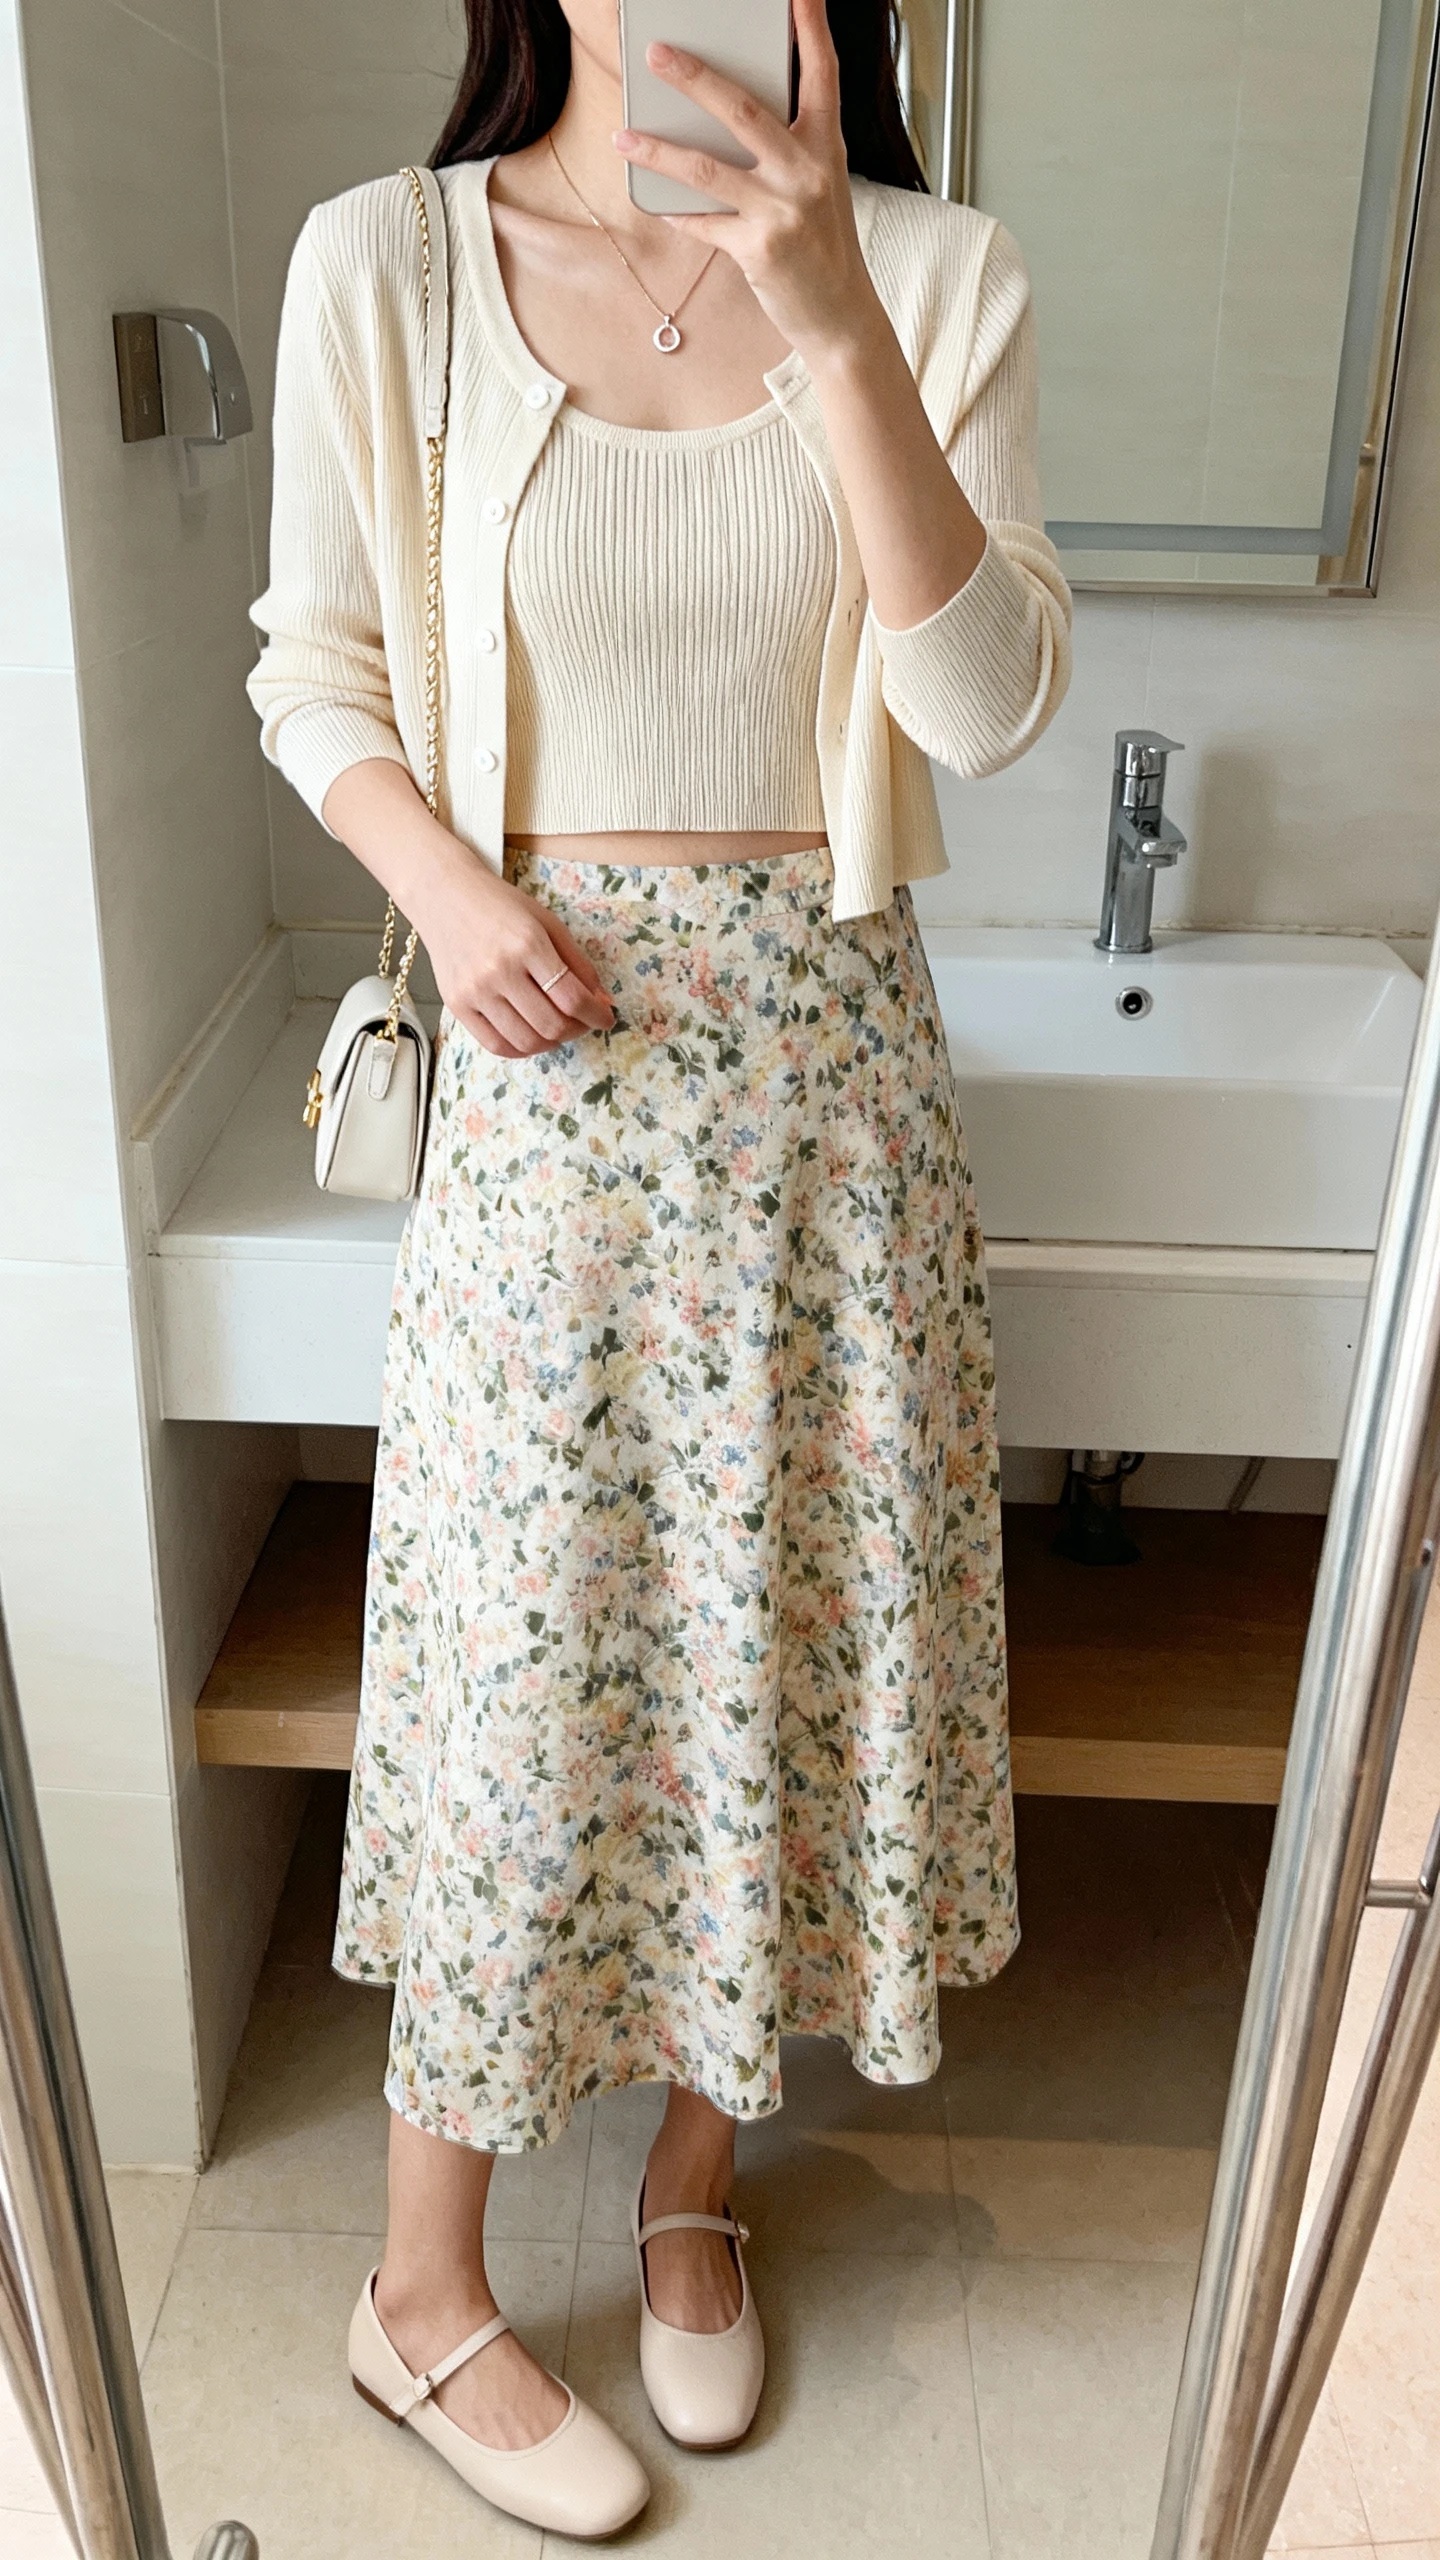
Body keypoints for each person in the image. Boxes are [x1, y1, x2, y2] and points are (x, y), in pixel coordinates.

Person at [247, 0, 1071, 2534]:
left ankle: (699, 2181)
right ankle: (421, 2288)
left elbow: (996, 701)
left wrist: (831, 322)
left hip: (833, 1111)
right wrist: (459, 896)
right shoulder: (386, 262)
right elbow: (318, 671)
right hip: (551, 1091)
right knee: (521, 1700)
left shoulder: (938, 277)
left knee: (787, 1661)